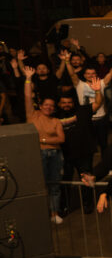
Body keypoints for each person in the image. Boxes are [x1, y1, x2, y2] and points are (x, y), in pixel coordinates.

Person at [22, 66, 65, 224]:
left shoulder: (56, 121)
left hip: (55, 155)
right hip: (38, 154)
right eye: (46, 105)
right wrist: (28, 78)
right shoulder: (32, 115)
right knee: (39, 186)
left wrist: (42, 140)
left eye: (51, 106)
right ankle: (40, 216)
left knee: (54, 186)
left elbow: (61, 139)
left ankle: (54, 213)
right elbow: (28, 96)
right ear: (40, 106)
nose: (49, 107)